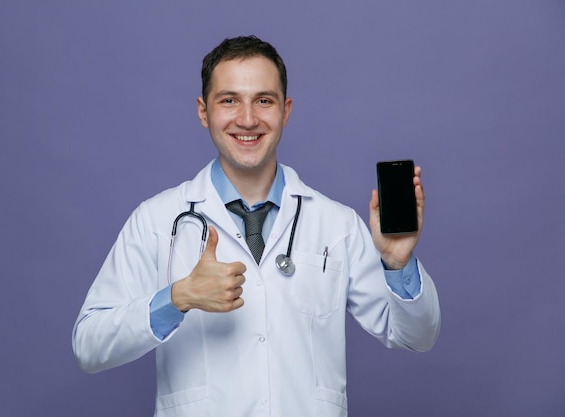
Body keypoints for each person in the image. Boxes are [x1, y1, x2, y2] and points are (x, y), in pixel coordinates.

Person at [72, 35, 440, 417]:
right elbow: (89, 347)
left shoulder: (336, 225)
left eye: (264, 100)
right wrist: (178, 298)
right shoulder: (155, 221)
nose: (247, 119)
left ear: (286, 110)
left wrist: (397, 264)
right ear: (203, 111)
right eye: (229, 100)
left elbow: (417, 337)